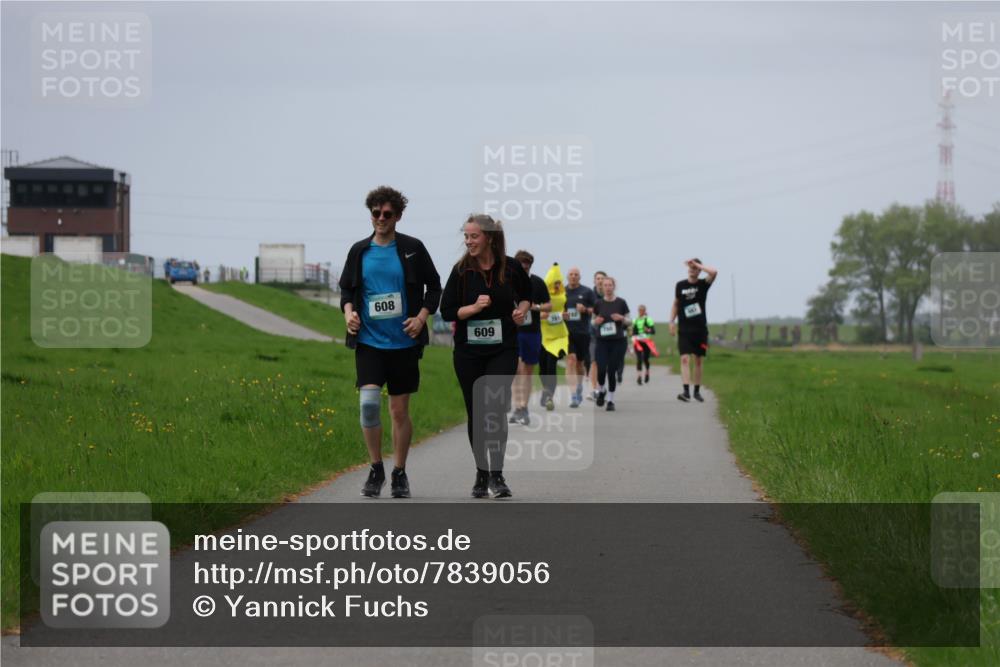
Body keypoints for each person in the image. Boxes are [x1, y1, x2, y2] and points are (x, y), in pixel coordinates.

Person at [339, 186, 442, 498]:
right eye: (376, 213)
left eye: (388, 214)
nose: (381, 218)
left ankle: (399, 472)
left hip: (404, 344)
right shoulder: (359, 251)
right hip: (369, 342)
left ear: (398, 216)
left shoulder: (412, 248)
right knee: (369, 407)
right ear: (370, 214)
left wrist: (422, 317)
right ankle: (375, 468)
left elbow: (434, 287)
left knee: (398, 411)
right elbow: (346, 291)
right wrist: (348, 314)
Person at [440, 214, 531, 499]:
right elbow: (447, 312)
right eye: (466, 237)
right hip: (468, 352)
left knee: (493, 408)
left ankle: (497, 474)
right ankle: (481, 471)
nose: (469, 242)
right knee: (477, 413)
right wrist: (474, 308)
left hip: (503, 348)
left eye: (474, 236)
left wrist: (522, 311)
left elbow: (526, 295)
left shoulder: (511, 267)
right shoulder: (461, 271)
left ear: (489, 237)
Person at [510, 250, 551, 426]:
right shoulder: (509, 281)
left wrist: (535, 307)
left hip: (532, 332)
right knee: (516, 370)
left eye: (528, 265)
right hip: (512, 331)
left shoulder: (537, 282)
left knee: (527, 371)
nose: (525, 267)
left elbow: (549, 306)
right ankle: (517, 406)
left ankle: (523, 407)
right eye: (522, 264)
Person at [669, 258, 718, 403]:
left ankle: (696, 390)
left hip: (700, 330)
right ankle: (686, 391)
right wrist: (671, 321)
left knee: (698, 361)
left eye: (695, 268)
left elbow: (714, 272)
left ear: (699, 270)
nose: (692, 269)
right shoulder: (680, 285)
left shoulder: (703, 284)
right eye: (690, 267)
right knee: (684, 359)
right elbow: (676, 304)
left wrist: (698, 264)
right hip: (684, 329)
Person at [592, 276, 630, 412]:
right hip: (602, 341)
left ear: (614, 287)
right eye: (605, 285)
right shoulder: (598, 303)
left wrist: (622, 318)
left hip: (617, 342)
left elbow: (629, 321)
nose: (607, 288)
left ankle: (611, 400)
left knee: (611, 371)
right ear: (601, 287)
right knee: (601, 369)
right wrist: (596, 322)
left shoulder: (621, 303)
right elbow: (592, 322)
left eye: (610, 285)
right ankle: (601, 390)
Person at [563, 267, 596, 408]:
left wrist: (586, 310)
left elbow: (597, 309)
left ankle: (580, 385)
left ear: (580, 277)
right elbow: (555, 308)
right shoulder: (561, 292)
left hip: (583, 332)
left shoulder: (587, 291)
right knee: (571, 360)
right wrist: (561, 314)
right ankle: (573, 395)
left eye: (576, 274)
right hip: (566, 332)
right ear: (567, 276)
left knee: (580, 364)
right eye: (571, 274)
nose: (573, 276)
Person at [538, 263, 569, 411]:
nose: (557, 286)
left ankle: (550, 396)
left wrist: (566, 315)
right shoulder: (542, 295)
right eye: (554, 283)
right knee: (542, 369)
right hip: (543, 336)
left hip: (558, 337)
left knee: (551, 366)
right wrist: (540, 315)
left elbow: (568, 313)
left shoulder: (564, 296)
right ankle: (545, 390)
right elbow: (532, 312)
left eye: (559, 283)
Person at [587, 270, 607, 401]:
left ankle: (601, 388)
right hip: (592, 333)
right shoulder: (589, 295)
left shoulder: (609, 296)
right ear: (594, 281)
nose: (600, 281)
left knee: (603, 364)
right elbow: (586, 310)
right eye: (598, 278)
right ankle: (592, 390)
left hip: (607, 335)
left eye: (602, 279)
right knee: (593, 362)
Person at [632, 304, 657, 385]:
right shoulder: (635, 320)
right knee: (639, 359)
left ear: (645, 311)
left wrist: (648, 330)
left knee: (645, 359)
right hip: (638, 342)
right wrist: (632, 334)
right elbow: (633, 332)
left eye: (642, 310)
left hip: (646, 342)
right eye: (639, 310)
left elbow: (653, 331)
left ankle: (647, 373)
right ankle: (639, 377)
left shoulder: (648, 320)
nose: (641, 312)